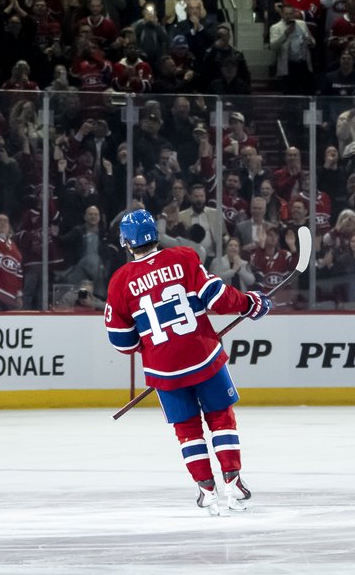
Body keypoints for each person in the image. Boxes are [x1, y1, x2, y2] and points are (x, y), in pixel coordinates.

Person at [104, 209, 271, 514]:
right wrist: (251, 304)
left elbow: (121, 340)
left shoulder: (119, 281)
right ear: (154, 234)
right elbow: (218, 297)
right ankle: (232, 482)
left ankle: (206, 489)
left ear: (127, 243)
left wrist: (153, 347)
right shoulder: (184, 256)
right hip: (202, 355)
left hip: (162, 369)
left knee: (187, 428)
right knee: (221, 418)